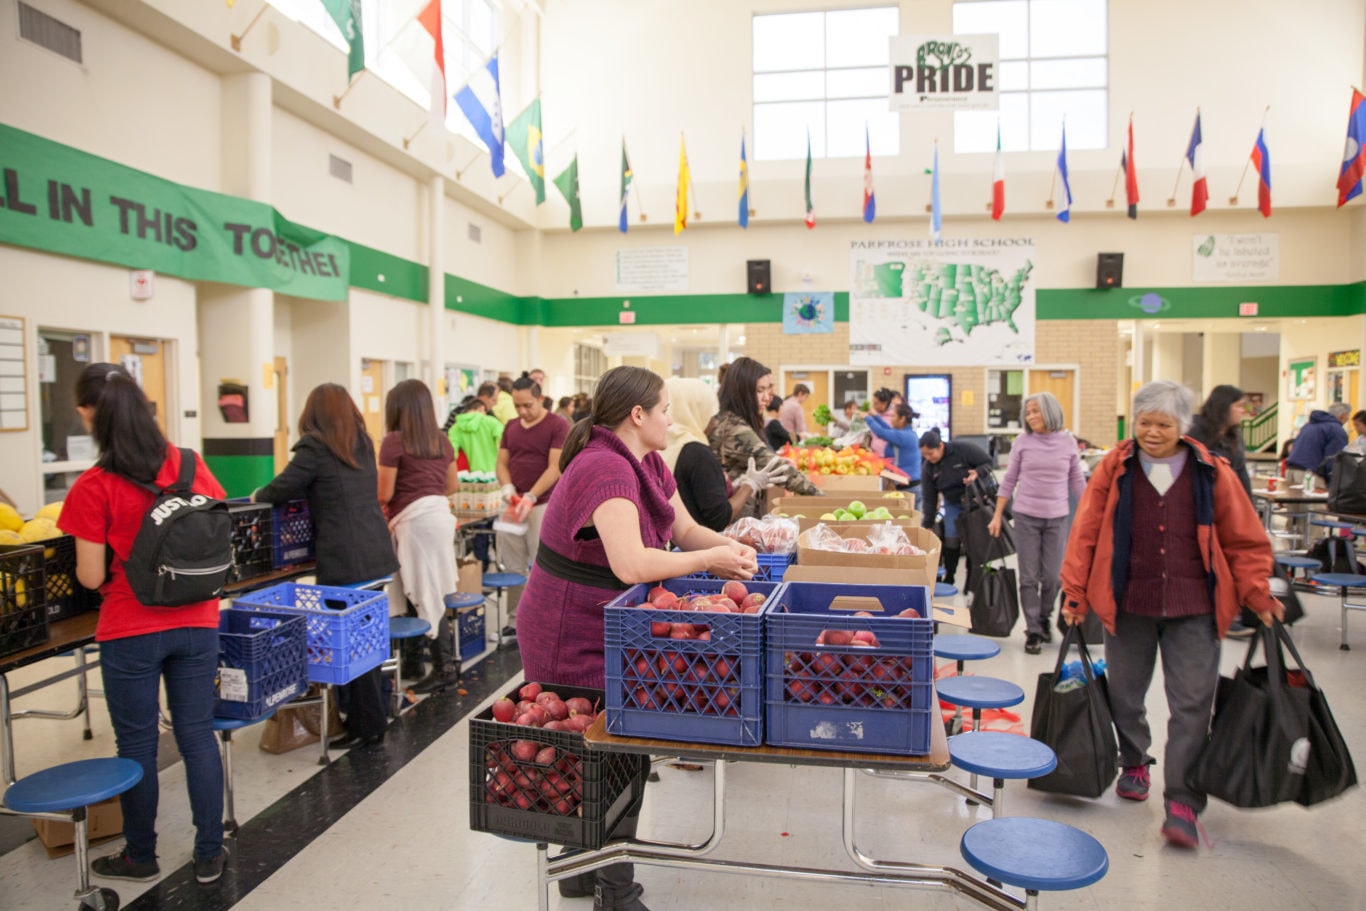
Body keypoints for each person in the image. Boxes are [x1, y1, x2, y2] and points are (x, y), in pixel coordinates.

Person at [517, 366, 757, 910]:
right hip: (568, 626)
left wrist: (733, 550)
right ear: (638, 414)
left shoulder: (645, 462)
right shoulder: (604, 468)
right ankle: (615, 891)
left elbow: (684, 530)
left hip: (609, 620)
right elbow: (630, 564)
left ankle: (582, 870)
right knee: (608, 754)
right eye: (665, 410)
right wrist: (708, 560)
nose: (672, 420)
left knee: (610, 750)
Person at [1060, 381, 1283, 848]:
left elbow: (1244, 539)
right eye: (1144, 422)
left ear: (1183, 425)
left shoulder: (1210, 471)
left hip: (1195, 609)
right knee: (1125, 695)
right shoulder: (1115, 468)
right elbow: (1085, 533)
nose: (1152, 432)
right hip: (1128, 605)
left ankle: (1183, 801)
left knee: (1192, 706)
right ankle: (1134, 761)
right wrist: (1075, 593)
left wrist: (1258, 594)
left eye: (1163, 424)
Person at [59, 363, 229, 885]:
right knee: (197, 735)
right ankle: (209, 852)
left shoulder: (94, 485)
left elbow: (90, 576)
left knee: (137, 745)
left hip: (130, 628)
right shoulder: (190, 464)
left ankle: (140, 855)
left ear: (90, 414)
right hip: (198, 619)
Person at [254, 384, 399, 750]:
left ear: (313, 414)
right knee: (368, 645)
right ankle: (372, 716)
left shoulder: (315, 448)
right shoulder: (361, 442)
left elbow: (281, 489)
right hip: (374, 554)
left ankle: (366, 727)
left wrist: (256, 496)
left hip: (346, 561)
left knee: (352, 649)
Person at [986, 392, 1086, 653]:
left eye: (1035, 411)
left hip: (1057, 517)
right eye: (1027, 413)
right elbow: (1009, 479)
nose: (1030, 417)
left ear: (1050, 412)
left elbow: (1077, 480)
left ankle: (1043, 617)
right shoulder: (1023, 442)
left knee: (1053, 577)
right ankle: (1033, 630)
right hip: (1026, 517)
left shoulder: (1068, 443)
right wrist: (997, 515)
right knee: (1029, 577)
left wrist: (1091, 515)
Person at [378, 380, 460, 695]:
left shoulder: (393, 441)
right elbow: (452, 486)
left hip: (413, 523)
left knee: (424, 593)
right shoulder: (441, 440)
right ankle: (415, 663)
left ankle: (443, 670)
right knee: (429, 589)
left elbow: (384, 493)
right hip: (439, 518)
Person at [496, 371, 570, 638]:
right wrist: (507, 487)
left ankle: (544, 620)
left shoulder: (557, 425)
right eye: (517, 406)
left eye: (527, 405)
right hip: (513, 504)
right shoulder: (511, 426)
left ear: (540, 399)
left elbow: (555, 467)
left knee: (543, 564)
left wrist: (531, 496)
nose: (522, 411)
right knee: (512, 564)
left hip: (543, 505)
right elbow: (501, 462)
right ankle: (514, 621)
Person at [662, 377, 787, 531]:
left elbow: (694, 493)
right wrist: (750, 485)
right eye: (712, 415)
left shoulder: (666, 446)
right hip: (699, 541)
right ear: (696, 411)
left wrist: (732, 487)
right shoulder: (697, 453)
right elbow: (719, 518)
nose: (715, 422)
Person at [709, 356, 821, 516]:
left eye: (768, 389)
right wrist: (822, 499)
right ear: (742, 392)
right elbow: (775, 466)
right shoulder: (734, 427)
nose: (767, 398)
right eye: (760, 391)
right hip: (734, 517)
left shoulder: (732, 420)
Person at [918, 429, 993, 585]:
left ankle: (973, 581)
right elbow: (929, 498)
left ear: (940, 446)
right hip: (952, 503)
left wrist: (977, 473)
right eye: (924, 455)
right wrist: (928, 524)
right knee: (951, 539)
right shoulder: (928, 467)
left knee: (974, 542)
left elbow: (988, 462)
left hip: (975, 502)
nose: (928, 458)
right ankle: (949, 576)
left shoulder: (963, 449)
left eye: (930, 453)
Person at [1189, 384, 1252, 498]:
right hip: (1201, 495)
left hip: (1228, 497)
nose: (1243, 411)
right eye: (1239, 406)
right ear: (1223, 406)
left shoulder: (1235, 434)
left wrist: (1248, 503)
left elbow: (1241, 472)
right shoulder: (1195, 428)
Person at [1286, 401, 1349, 485]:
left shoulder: (1309, 425)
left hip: (1291, 469)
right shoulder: (1336, 430)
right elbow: (1334, 458)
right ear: (1343, 415)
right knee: (1316, 494)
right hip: (1311, 474)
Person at [864, 402, 922, 487]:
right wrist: (876, 416)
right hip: (905, 483)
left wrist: (867, 418)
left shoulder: (904, 436)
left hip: (908, 485)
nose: (891, 419)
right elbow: (888, 429)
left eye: (893, 416)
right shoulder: (906, 433)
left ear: (902, 419)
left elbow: (881, 432)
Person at [449, 395, 504, 473]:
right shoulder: (492, 422)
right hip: (494, 472)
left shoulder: (456, 428)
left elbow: (451, 453)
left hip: (472, 475)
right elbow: (504, 442)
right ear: (481, 408)